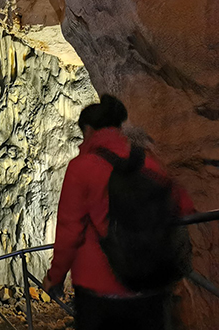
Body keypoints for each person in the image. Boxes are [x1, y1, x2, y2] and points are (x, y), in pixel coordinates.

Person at [43, 95, 195, 330]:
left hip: (99, 290)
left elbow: (70, 230)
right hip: (149, 286)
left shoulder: (81, 168)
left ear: (89, 130)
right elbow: (182, 206)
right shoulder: (147, 161)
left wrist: (56, 276)